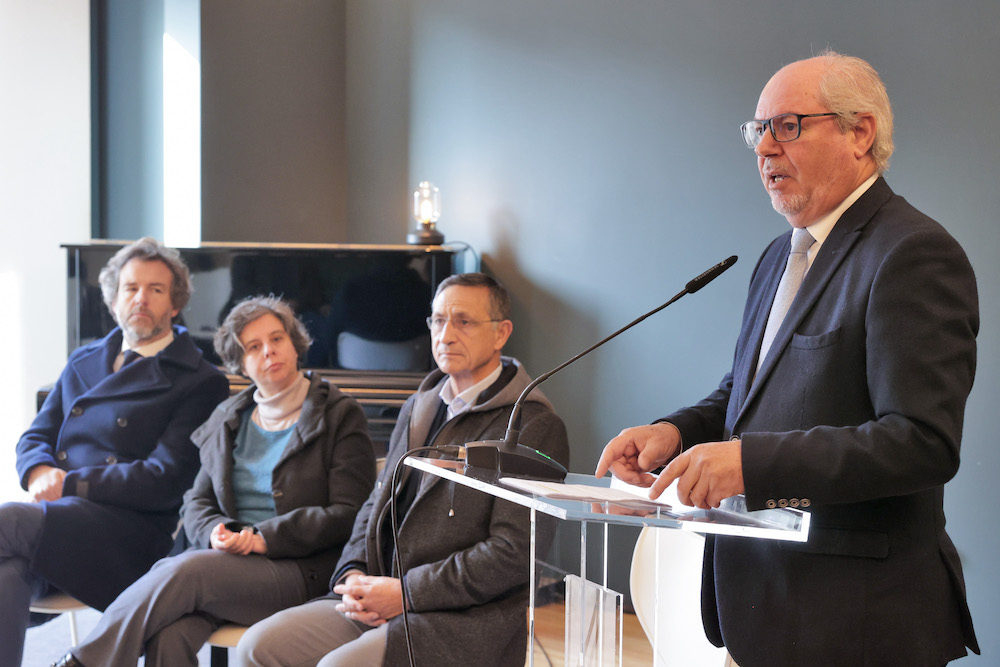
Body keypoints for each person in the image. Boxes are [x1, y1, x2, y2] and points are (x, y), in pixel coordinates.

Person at [596, 50, 980, 667]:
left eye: (788, 126)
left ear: (860, 133)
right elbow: (746, 393)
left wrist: (750, 465)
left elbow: (921, 441)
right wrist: (676, 432)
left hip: (856, 625)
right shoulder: (780, 255)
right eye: (758, 131)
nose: (765, 149)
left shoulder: (912, 253)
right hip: (762, 611)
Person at [236, 272, 570, 667]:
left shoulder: (533, 425)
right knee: (257, 647)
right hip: (382, 595)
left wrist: (407, 593)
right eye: (438, 320)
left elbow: (513, 553)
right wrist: (352, 573)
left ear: (501, 333)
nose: (445, 335)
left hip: (460, 619)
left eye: (463, 321)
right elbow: (376, 502)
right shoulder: (419, 406)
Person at [52, 296, 376, 667]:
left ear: (294, 343)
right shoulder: (228, 418)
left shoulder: (339, 414)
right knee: (170, 633)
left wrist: (264, 536)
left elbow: (350, 513)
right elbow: (196, 501)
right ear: (240, 363)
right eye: (253, 347)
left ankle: (85, 661)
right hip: (227, 566)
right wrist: (215, 533)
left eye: (277, 339)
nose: (269, 351)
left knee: (185, 570)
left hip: (302, 570)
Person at [2, 237, 230, 666]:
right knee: (7, 571)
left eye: (155, 289)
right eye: (131, 288)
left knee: (7, 521)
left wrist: (69, 483)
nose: (141, 298)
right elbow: (35, 437)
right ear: (113, 300)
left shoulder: (200, 380)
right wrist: (38, 473)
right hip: (59, 522)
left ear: (175, 304)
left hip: (128, 535)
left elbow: (164, 479)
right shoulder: (83, 360)